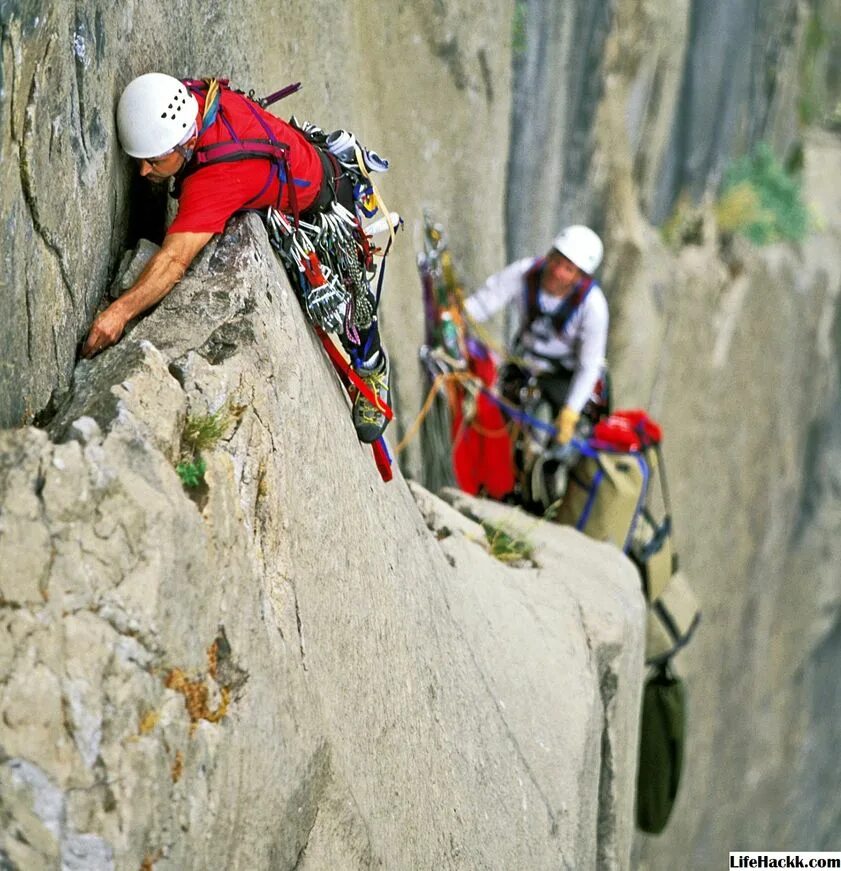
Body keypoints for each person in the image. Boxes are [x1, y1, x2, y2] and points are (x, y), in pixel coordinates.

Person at [83, 73, 390, 443]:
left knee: (351, 298)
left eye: (153, 160)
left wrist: (119, 313)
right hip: (299, 162)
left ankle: (372, 370)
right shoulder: (195, 97)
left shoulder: (217, 179)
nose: (143, 171)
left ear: (187, 143)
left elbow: (173, 262)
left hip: (320, 206)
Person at [463, 225, 608, 445]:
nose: (557, 271)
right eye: (556, 261)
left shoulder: (592, 307)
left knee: (547, 442)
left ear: (579, 277)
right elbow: (482, 304)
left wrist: (570, 411)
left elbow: (589, 365)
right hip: (523, 363)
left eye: (568, 268)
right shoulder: (525, 273)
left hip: (563, 376)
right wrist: (454, 316)